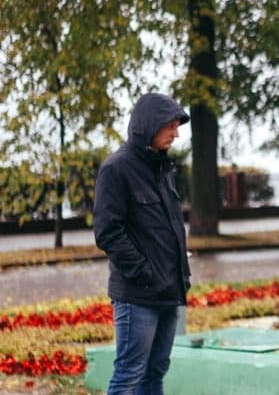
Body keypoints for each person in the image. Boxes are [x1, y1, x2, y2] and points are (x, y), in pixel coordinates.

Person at [93, 93, 191, 395]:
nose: (176, 134)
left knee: (155, 374)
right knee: (129, 375)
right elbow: (108, 232)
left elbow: (171, 228)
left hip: (169, 292)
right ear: (150, 126)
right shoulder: (117, 169)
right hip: (139, 295)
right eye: (170, 127)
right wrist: (143, 274)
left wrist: (180, 277)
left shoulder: (162, 169)